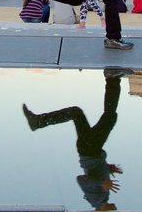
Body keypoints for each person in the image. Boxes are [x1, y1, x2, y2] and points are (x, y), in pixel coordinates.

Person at [23, 71, 127, 211]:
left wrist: (102, 183)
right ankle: (38, 121)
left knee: (109, 117)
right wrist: (108, 168)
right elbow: (93, 172)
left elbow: (82, 180)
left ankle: (112, 78)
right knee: (76, 112)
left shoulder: (96, 200)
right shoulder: (103, 198)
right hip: (88, 149)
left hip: (90, 149)